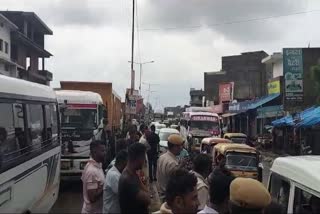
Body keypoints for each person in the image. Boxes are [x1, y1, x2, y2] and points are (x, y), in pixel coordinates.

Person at [118, 143, 150, 214]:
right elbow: (148, 200)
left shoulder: (132, 173)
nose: (144, 160)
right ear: (138, 157)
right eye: (144, 157)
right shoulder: (128, 180)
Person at [81, 140, 106, 214]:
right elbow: (92, 198)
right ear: (95, 152)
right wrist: (105, 185)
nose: (105, 153)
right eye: (102, 151)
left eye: (105, 150)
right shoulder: (92, 171)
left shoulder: (97, 165)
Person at [157, 134, 184, 202]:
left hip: (162, 194)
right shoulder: (172, 162)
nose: (181, 148)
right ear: (174, 147)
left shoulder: (162, 157)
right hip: (168, 197)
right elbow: (175, 179)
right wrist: (181, 166)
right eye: (179, 146)